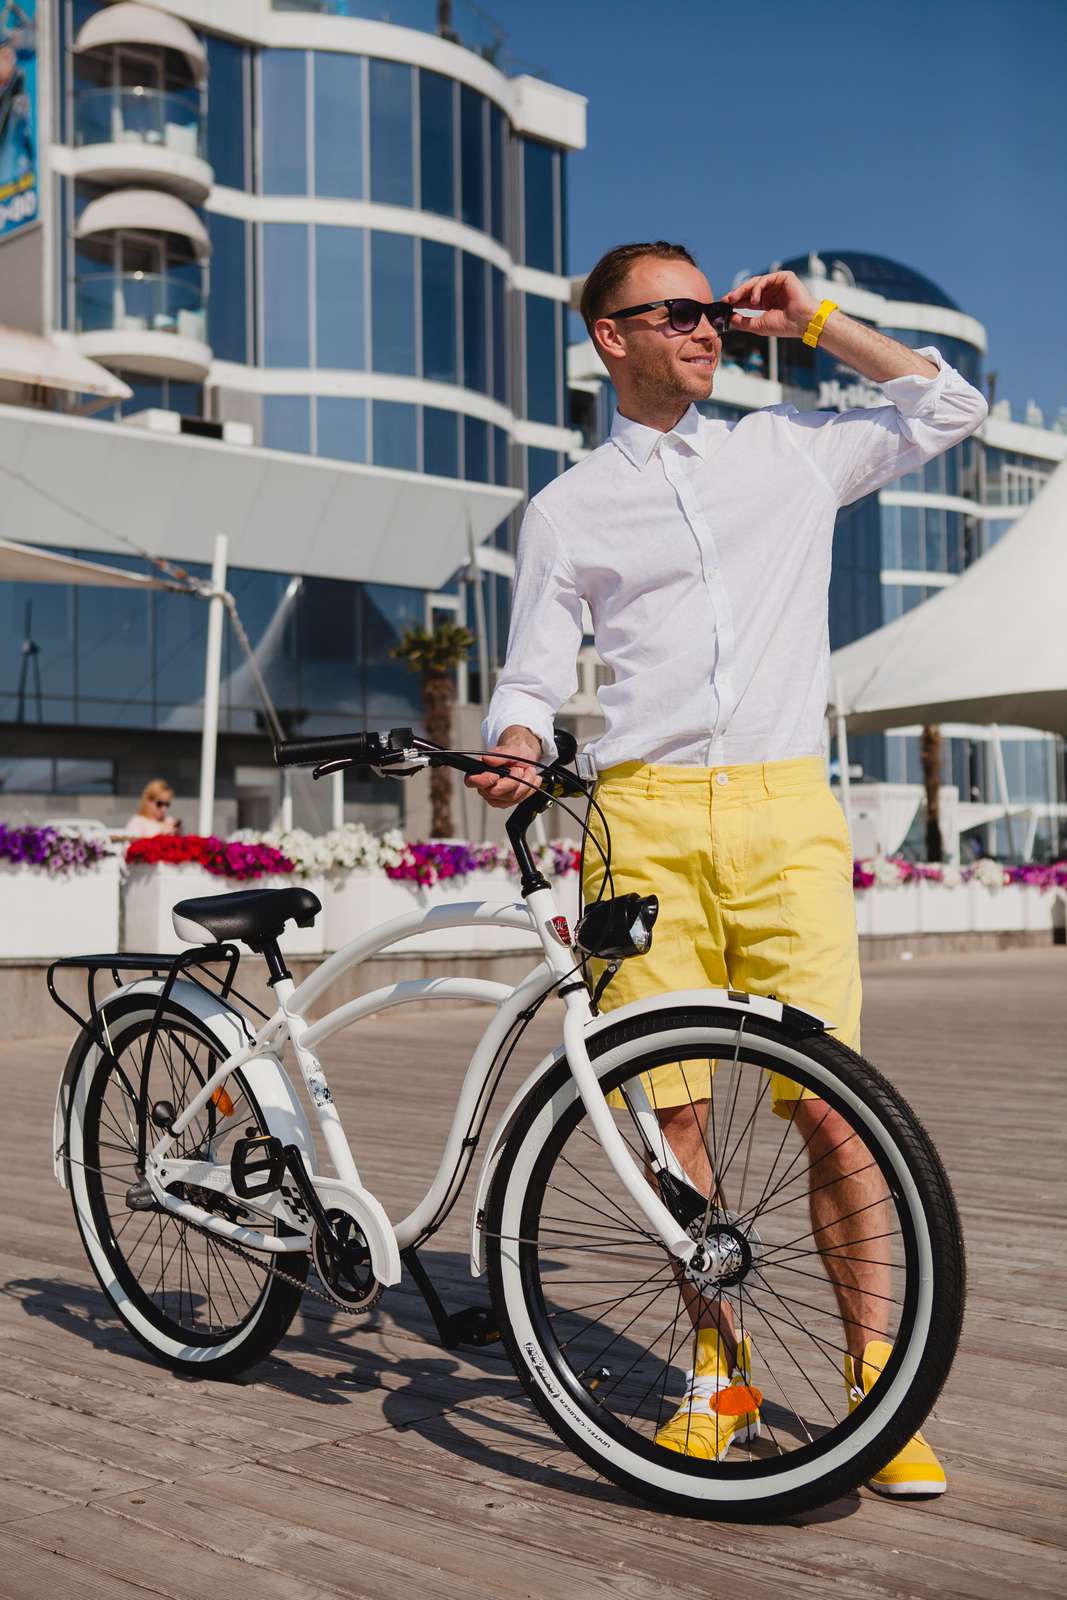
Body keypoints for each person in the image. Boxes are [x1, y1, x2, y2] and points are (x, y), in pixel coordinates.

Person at [467, 243, 988, 1496]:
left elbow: (949, 406)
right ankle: (720, 1371)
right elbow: (531, 673)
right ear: (610, 337)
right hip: (637, 823)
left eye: (711, 310)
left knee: (833, 1107)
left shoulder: (787, 450)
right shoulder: (567, 510)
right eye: (677, 313)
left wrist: (814, 319)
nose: (705, 328)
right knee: (675, 1115)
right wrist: (518, 741)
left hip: (783, 810)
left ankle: (874, 1379)